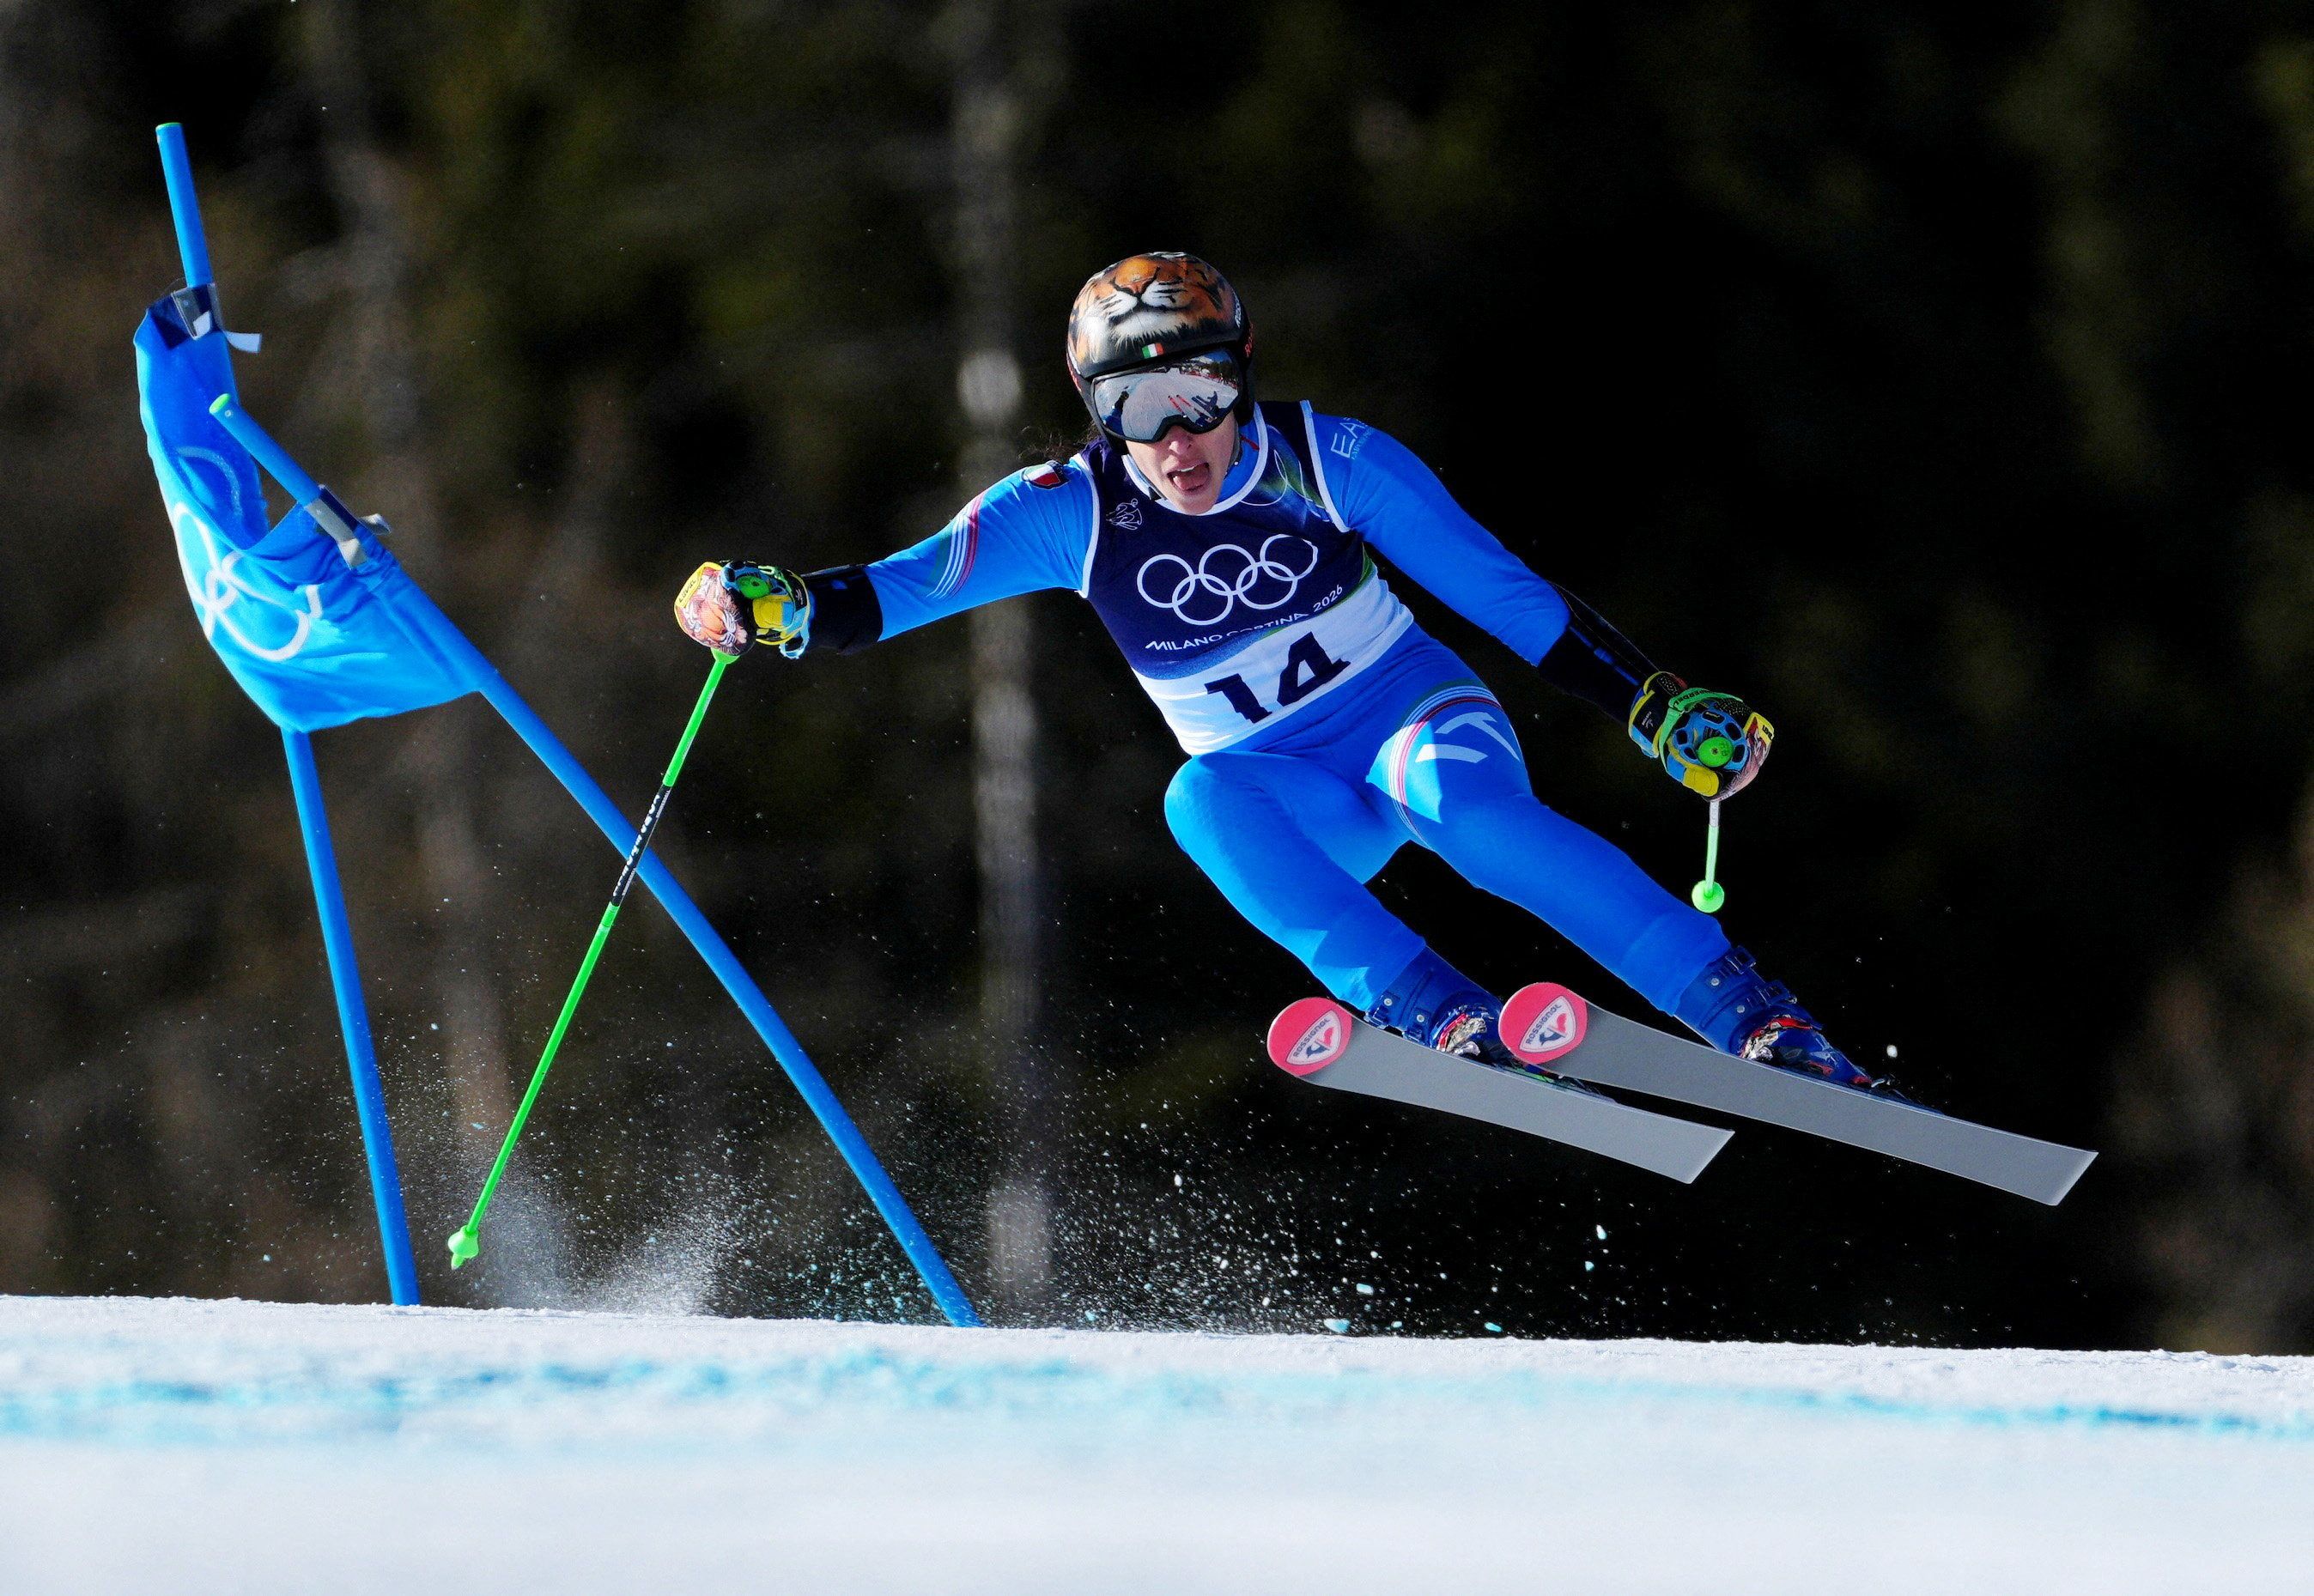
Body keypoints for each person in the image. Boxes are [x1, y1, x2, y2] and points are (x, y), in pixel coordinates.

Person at [674, 252, 1886, 1089]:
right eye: (1137, 405)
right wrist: (759, 607)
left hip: (1416, 722)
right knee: (1198, 799)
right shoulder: (1062, 512)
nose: (1178, 439)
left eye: (1200, 392)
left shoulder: (1329, 458)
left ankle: (1751, 1016)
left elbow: (1502, 593)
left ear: (1240, 373)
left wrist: (1653, 702)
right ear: (1097, 411)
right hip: (1289, 793)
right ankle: (1440, 1013)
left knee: (1455, 809)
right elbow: (888, 593)